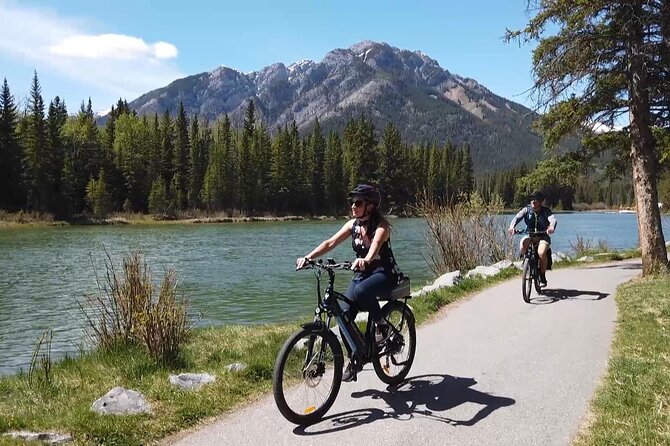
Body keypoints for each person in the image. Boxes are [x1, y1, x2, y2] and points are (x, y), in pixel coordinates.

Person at [296, 184, 402, 382]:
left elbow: (376, 246)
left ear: (370, 206)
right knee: (343, 314)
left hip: (384, 273)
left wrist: (366, 260)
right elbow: (330, 243)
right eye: (352, 202)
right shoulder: (352, 225)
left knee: (362, 291)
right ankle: (355, 357)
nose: (353, 206)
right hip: (362, 274)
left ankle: (382, 326)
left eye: (358, 203)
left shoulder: (381, 226)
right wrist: (308, 257)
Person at [507, 191, 557, 287]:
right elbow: (516, 218)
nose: (533, 201)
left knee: (541, 252)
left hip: (543, 236)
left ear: (541, 201)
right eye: (532, 199)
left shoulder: (546, 211)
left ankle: (542, 275)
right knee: (523, 246)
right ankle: (527, 264)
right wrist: (512, 227)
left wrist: (551, 227)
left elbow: (553, 220)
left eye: (536, 199)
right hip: (530, 235)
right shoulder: (526, 210)